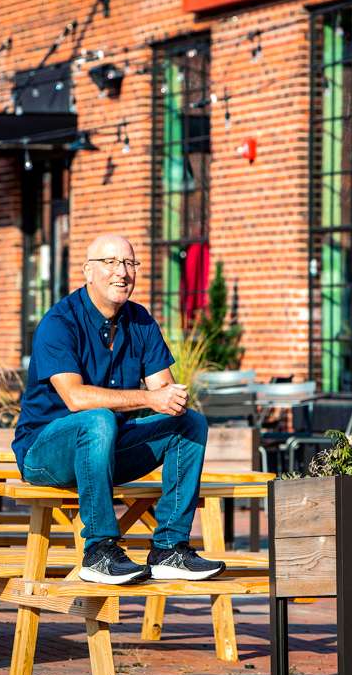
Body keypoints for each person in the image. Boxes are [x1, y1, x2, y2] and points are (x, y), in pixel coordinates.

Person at [12, 234, 225, 584]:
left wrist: (170, 399)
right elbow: (76, 399)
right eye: (110, 263)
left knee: (189, 425)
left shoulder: (140, 321)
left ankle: (170, 548)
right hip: (46, 453)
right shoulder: (59, 322)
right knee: (97, 419)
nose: (121, 272)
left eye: (128, 263)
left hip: (108, 448)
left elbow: (163, 391)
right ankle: (99, 551)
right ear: (88, 272)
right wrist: (148, 399)